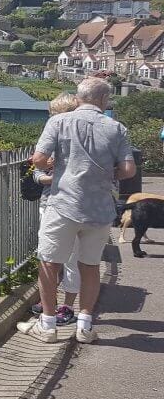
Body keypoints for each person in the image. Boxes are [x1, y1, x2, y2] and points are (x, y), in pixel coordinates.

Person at [18, 77, 136, 344]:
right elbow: (129, 170)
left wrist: (60, 165)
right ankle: (84, 324)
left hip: (63, 204)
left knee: (49, 262)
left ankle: (47, 325)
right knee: (90, 265)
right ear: (105, 100)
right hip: (99, 209)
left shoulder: (58, 122)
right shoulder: (117, 128)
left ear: (78, 97)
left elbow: (38, 159)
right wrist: (104, 173)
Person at [31, 92, 80, 323]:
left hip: (75, 204)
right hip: (49, 202)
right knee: (48, 256)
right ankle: (49, 301)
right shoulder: (48, 139)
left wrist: (61, 173)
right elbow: (36, 173)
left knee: (72, 257)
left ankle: (67, 306)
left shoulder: (83, 140)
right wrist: (50, 176)